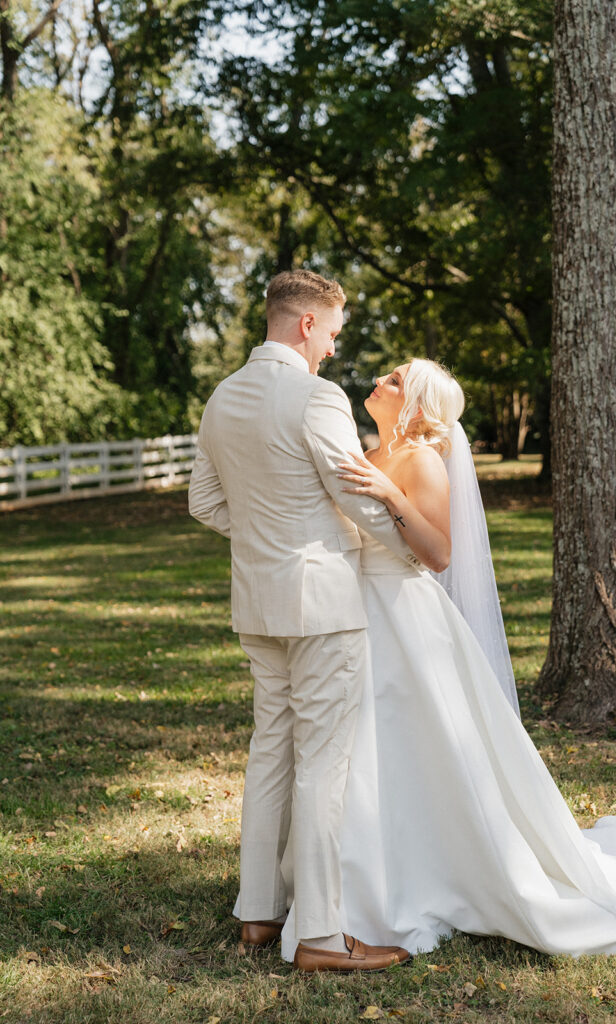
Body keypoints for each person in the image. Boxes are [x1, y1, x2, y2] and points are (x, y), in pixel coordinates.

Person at [278, 357, 616, 960]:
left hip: (404, 617)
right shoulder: (374, 451)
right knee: (360, 749)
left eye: (394, 379)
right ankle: (347, 882)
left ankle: (416, 878)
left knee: (402, 739)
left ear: (413, 406)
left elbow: (439, 552)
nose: (380, 382)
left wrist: (391, 494)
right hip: (358, 614)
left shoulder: (417, 461)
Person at [188, 269, 414, 972]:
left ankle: (258, 913)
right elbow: (358, 497)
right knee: (322, 763)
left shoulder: (222, 398)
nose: (332, 353)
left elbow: (203, 502)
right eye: (333, 335)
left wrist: (265, 538)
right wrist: (412, 546)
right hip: (319, 604)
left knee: (270, 751)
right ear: (306, 324)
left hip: (256, 600)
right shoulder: (316, 397)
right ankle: (318, 934)